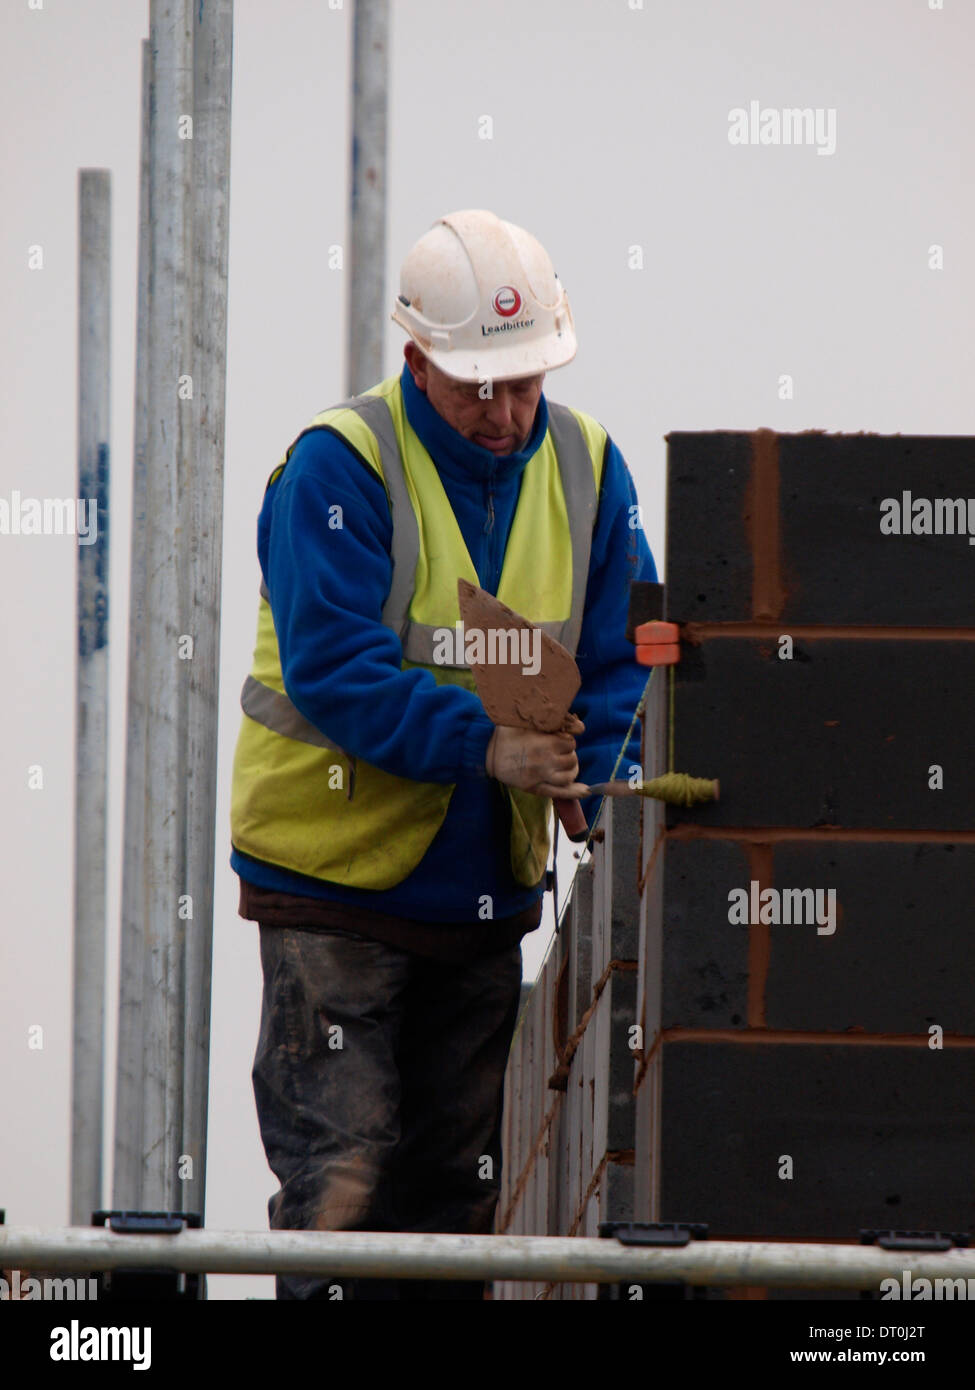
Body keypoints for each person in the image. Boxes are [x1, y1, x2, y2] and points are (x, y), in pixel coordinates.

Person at [229, 209, 658, 1299]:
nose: (506, 415)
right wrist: (487, 745)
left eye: (525, 384)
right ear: (416, 359)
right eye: (480, 389)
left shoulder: (588, 467)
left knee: (458, 1203)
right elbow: (333, 666)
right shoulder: (340, 468)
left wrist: (605, 791)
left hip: (478, 907)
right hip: (333, 899)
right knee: (346, 1179)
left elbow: (622, 661)